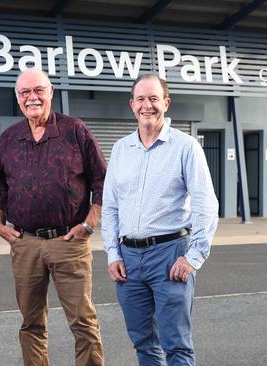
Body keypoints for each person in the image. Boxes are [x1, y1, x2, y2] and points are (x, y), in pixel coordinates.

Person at [0, 68, 106, 366]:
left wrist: (89, 224)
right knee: (31, 323)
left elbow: (103, 181)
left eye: (38, 90)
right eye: (24, 93)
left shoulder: (75, 131)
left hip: (69, 241)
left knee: (83, 322)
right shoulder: (8, 139)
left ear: (51, 91)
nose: (32, 98)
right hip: (25, 243)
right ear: (17, 98)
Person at [101, 74, 218, 366]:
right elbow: (110, 207)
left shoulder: (186, 147)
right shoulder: (120, 149)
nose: (147, 105)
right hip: (128, 259)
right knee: (143, 343)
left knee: (176, 344)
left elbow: (206, 203)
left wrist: (193, 257)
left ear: (166, 103)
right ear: (132, 105)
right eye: (140, 99)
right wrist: (113, 253)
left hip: (170, 255)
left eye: (153, 98)